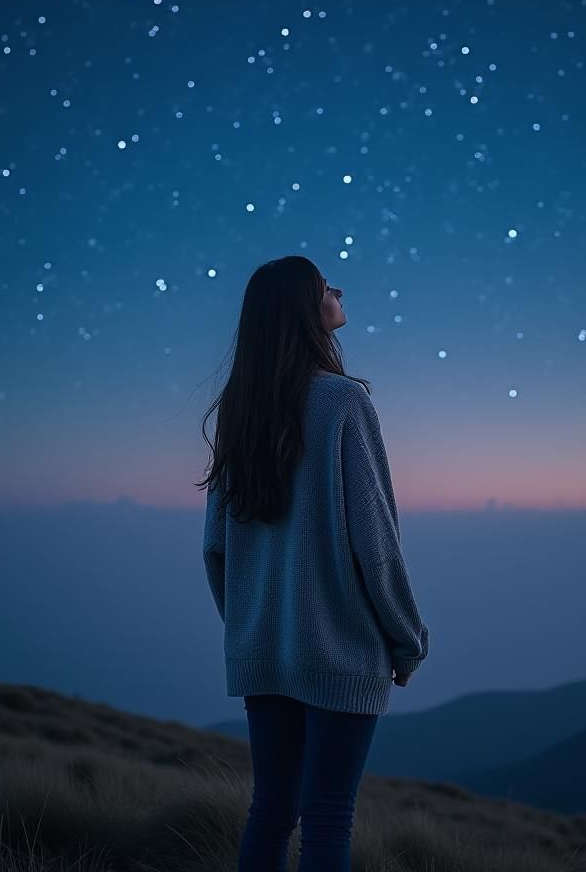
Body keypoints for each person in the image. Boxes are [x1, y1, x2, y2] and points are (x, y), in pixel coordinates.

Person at [197, 256, 430, 872]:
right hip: (341, 650)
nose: (339, 291)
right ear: (305, 309)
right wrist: (406, 640)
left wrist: (250, 627)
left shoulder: (240, 407)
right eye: (326, 286)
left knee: (271, 810)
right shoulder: (343, 401)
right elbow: (374, 540)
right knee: (328, 817)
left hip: (261, 650)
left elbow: (215, 547)